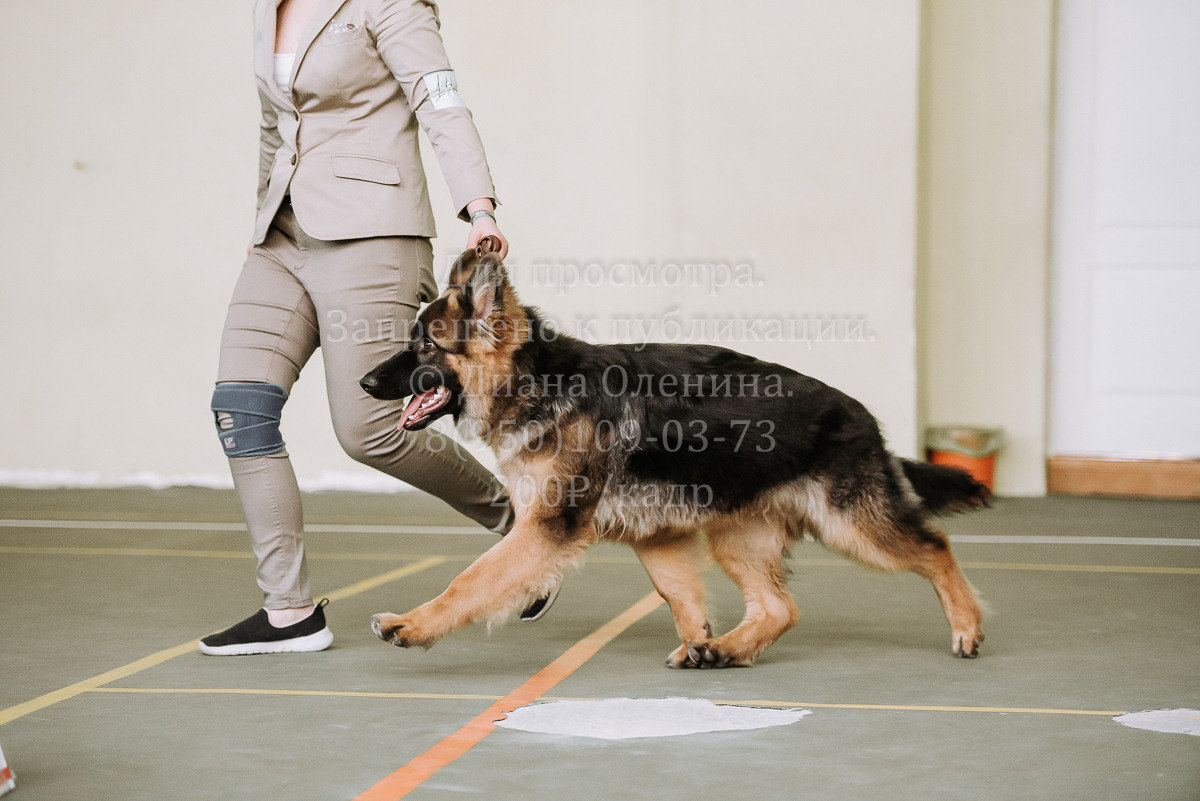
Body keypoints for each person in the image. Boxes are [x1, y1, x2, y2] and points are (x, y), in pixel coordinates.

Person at [199, 0, 555, 656]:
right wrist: (260, 219)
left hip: (372, 235)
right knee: (239, 410)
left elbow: (440, 99)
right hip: (281, 238)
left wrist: (478, 208)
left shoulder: (389, 3)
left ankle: (522, 530)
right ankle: (288, 611)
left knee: (369, 431)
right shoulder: (266, 6)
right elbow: (275, 123)